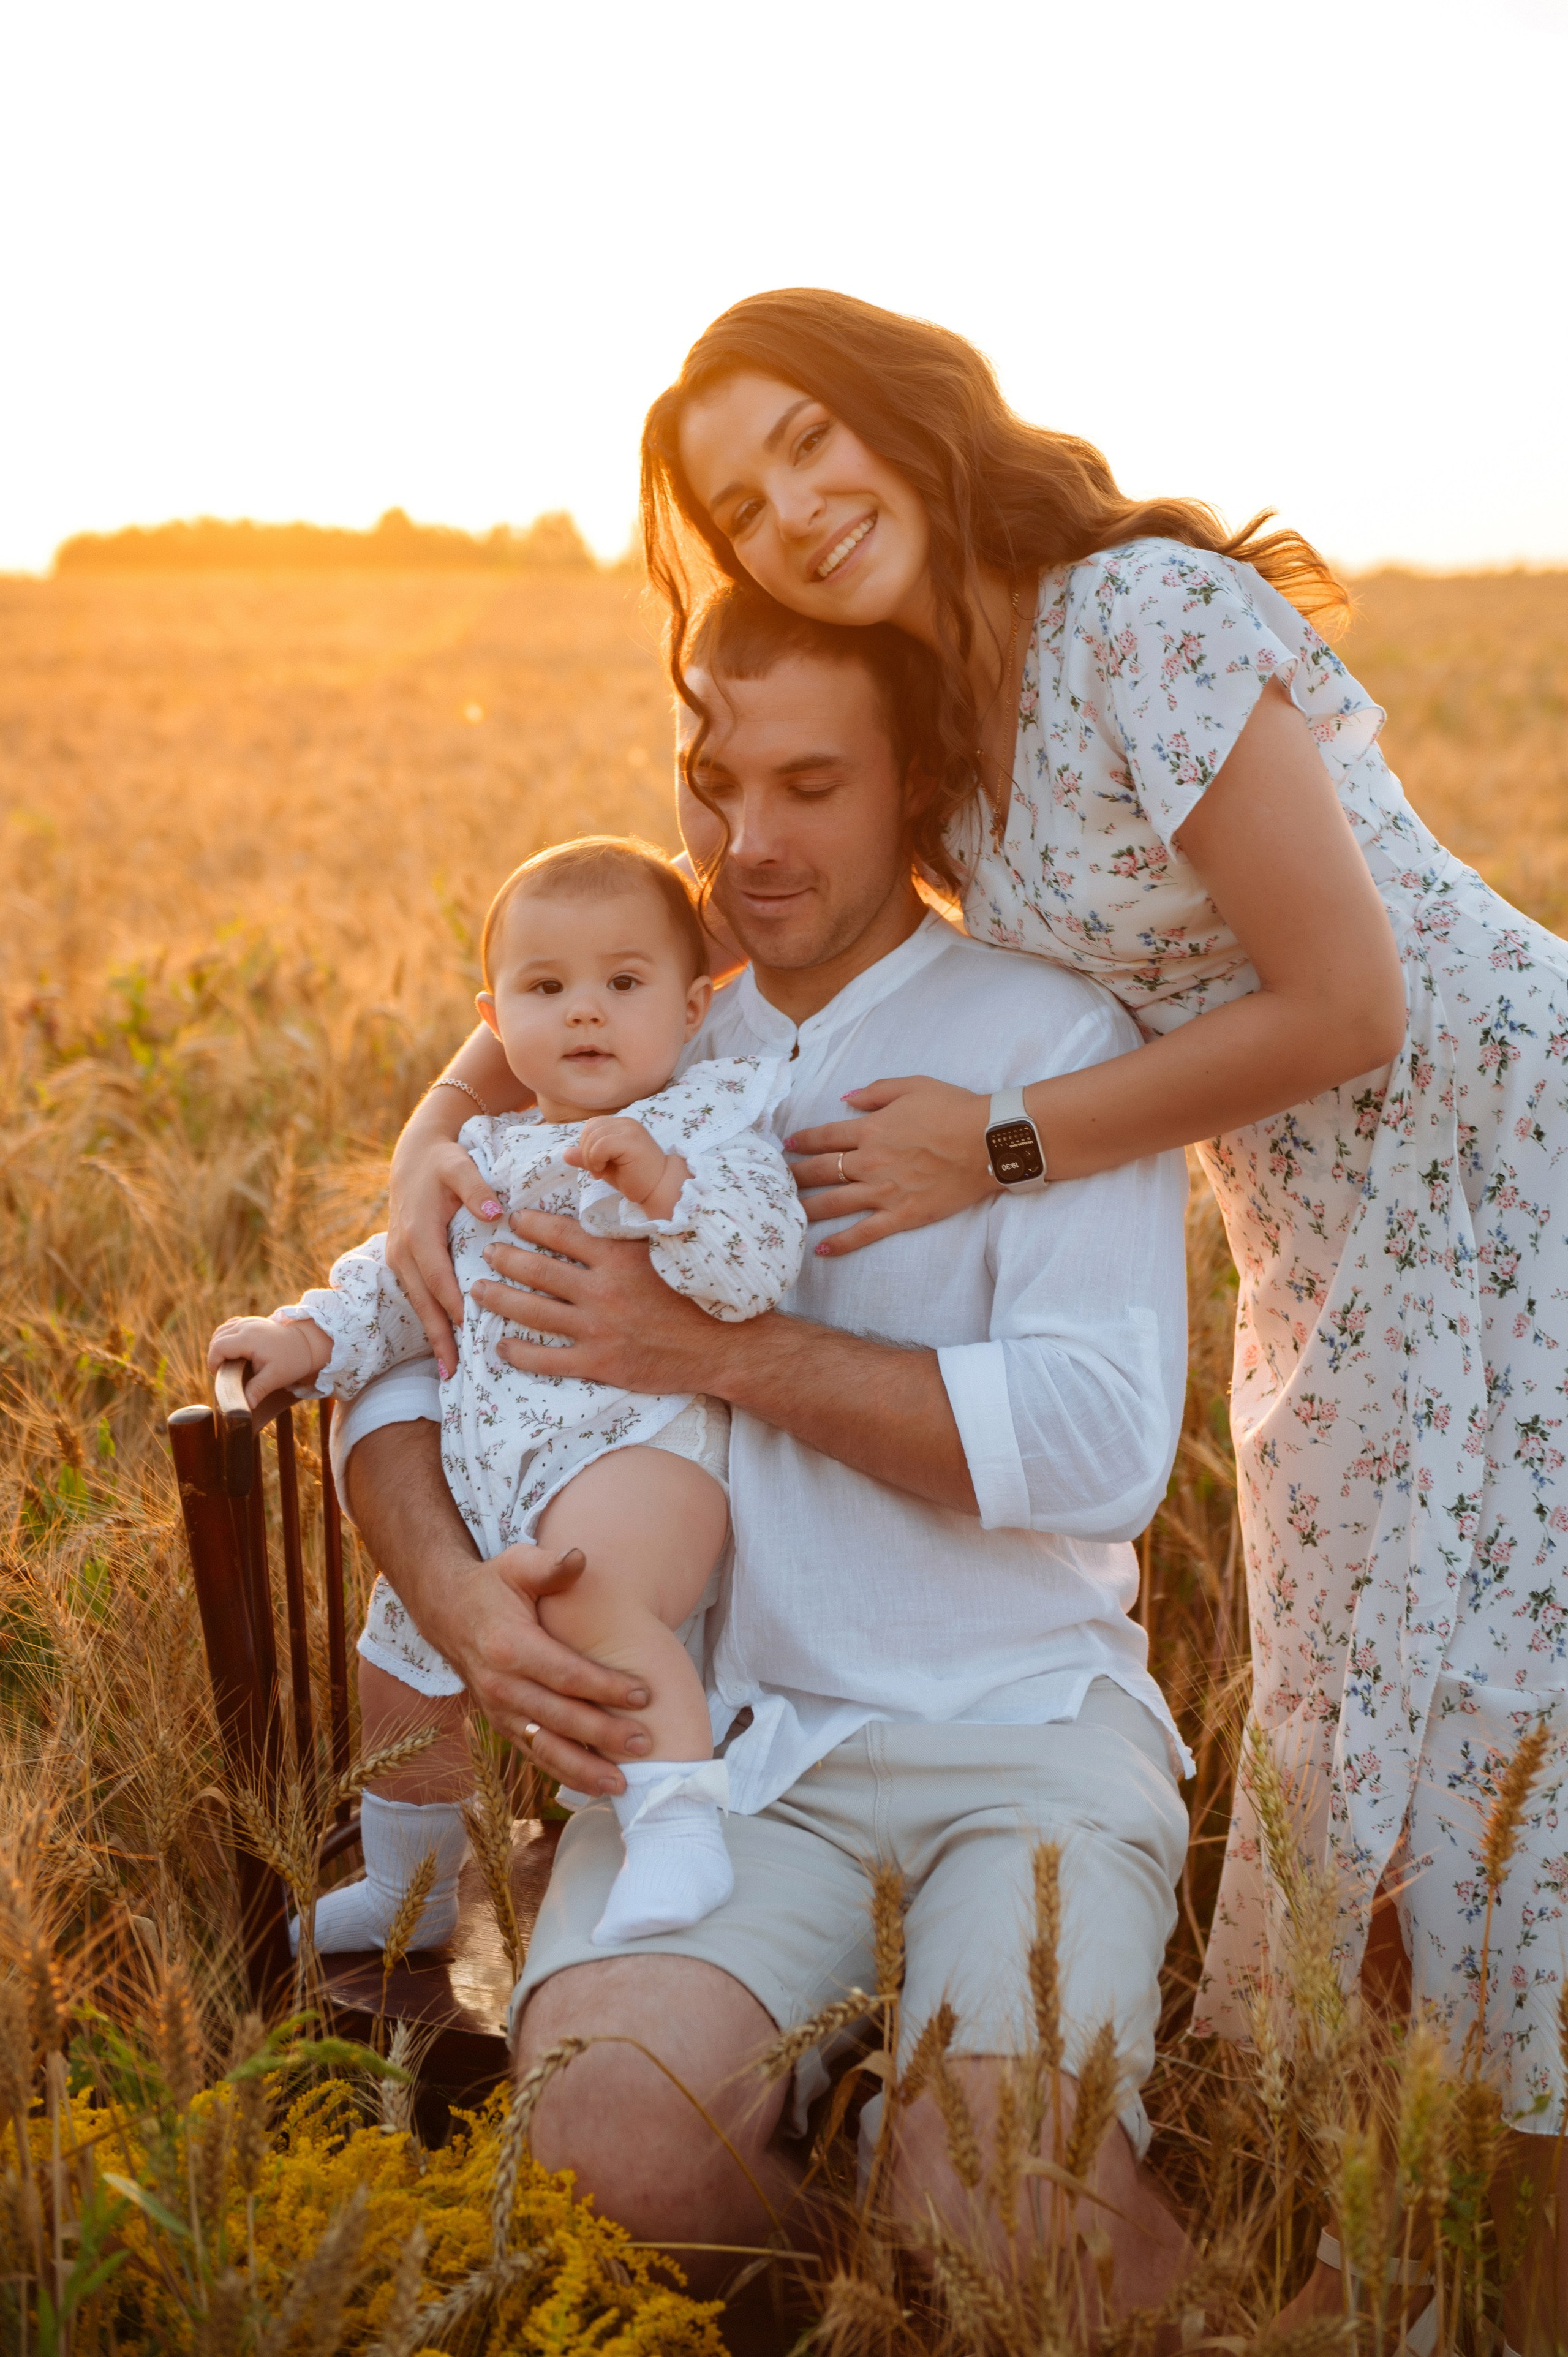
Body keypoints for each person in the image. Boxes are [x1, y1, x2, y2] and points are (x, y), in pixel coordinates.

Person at [621, 286, 1568, 2332]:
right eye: (737, 501)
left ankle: (1481, 2273)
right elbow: (676, 912)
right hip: (1326, 1241)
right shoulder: (946, 740)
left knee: (1512, 1730)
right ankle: (1392, 2263)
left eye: (807, 443)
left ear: (909, 414)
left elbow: (1350, 1000)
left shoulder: (1140, 614)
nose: (788, 509)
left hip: (1512, 1189)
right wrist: (458, 1113)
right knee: (1365, 1741)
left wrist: (1007, 1144)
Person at [337, 592, 1193, 2289]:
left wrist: (707, 1344)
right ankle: (864, 2221)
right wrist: (458, 1603)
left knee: (1008, 2210)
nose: (748, 842)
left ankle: (935, 2180)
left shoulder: (1045, 1043)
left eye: (811, 784)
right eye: (712, 783)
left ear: (920, 782)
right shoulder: (619, 1020)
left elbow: (1104, 1448)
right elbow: (397, 1363)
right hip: (709, 1756)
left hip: (1020, 1726)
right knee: (602, 2166)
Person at [209, 835, 804, 1953]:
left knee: (586, 1596)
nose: (586, 1013)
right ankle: (412, 1890)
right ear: (494, 1014)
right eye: (546, 989)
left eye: (623, 986)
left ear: (691, 1008)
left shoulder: (707, 1124)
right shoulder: (477, 1148)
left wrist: (667, 1192)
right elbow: (405, 1282)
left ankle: (676, 1818)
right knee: (401, 1666)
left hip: (641, 1456)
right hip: (489, 1480)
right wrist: (305, 1332)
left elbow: (760, 1266)